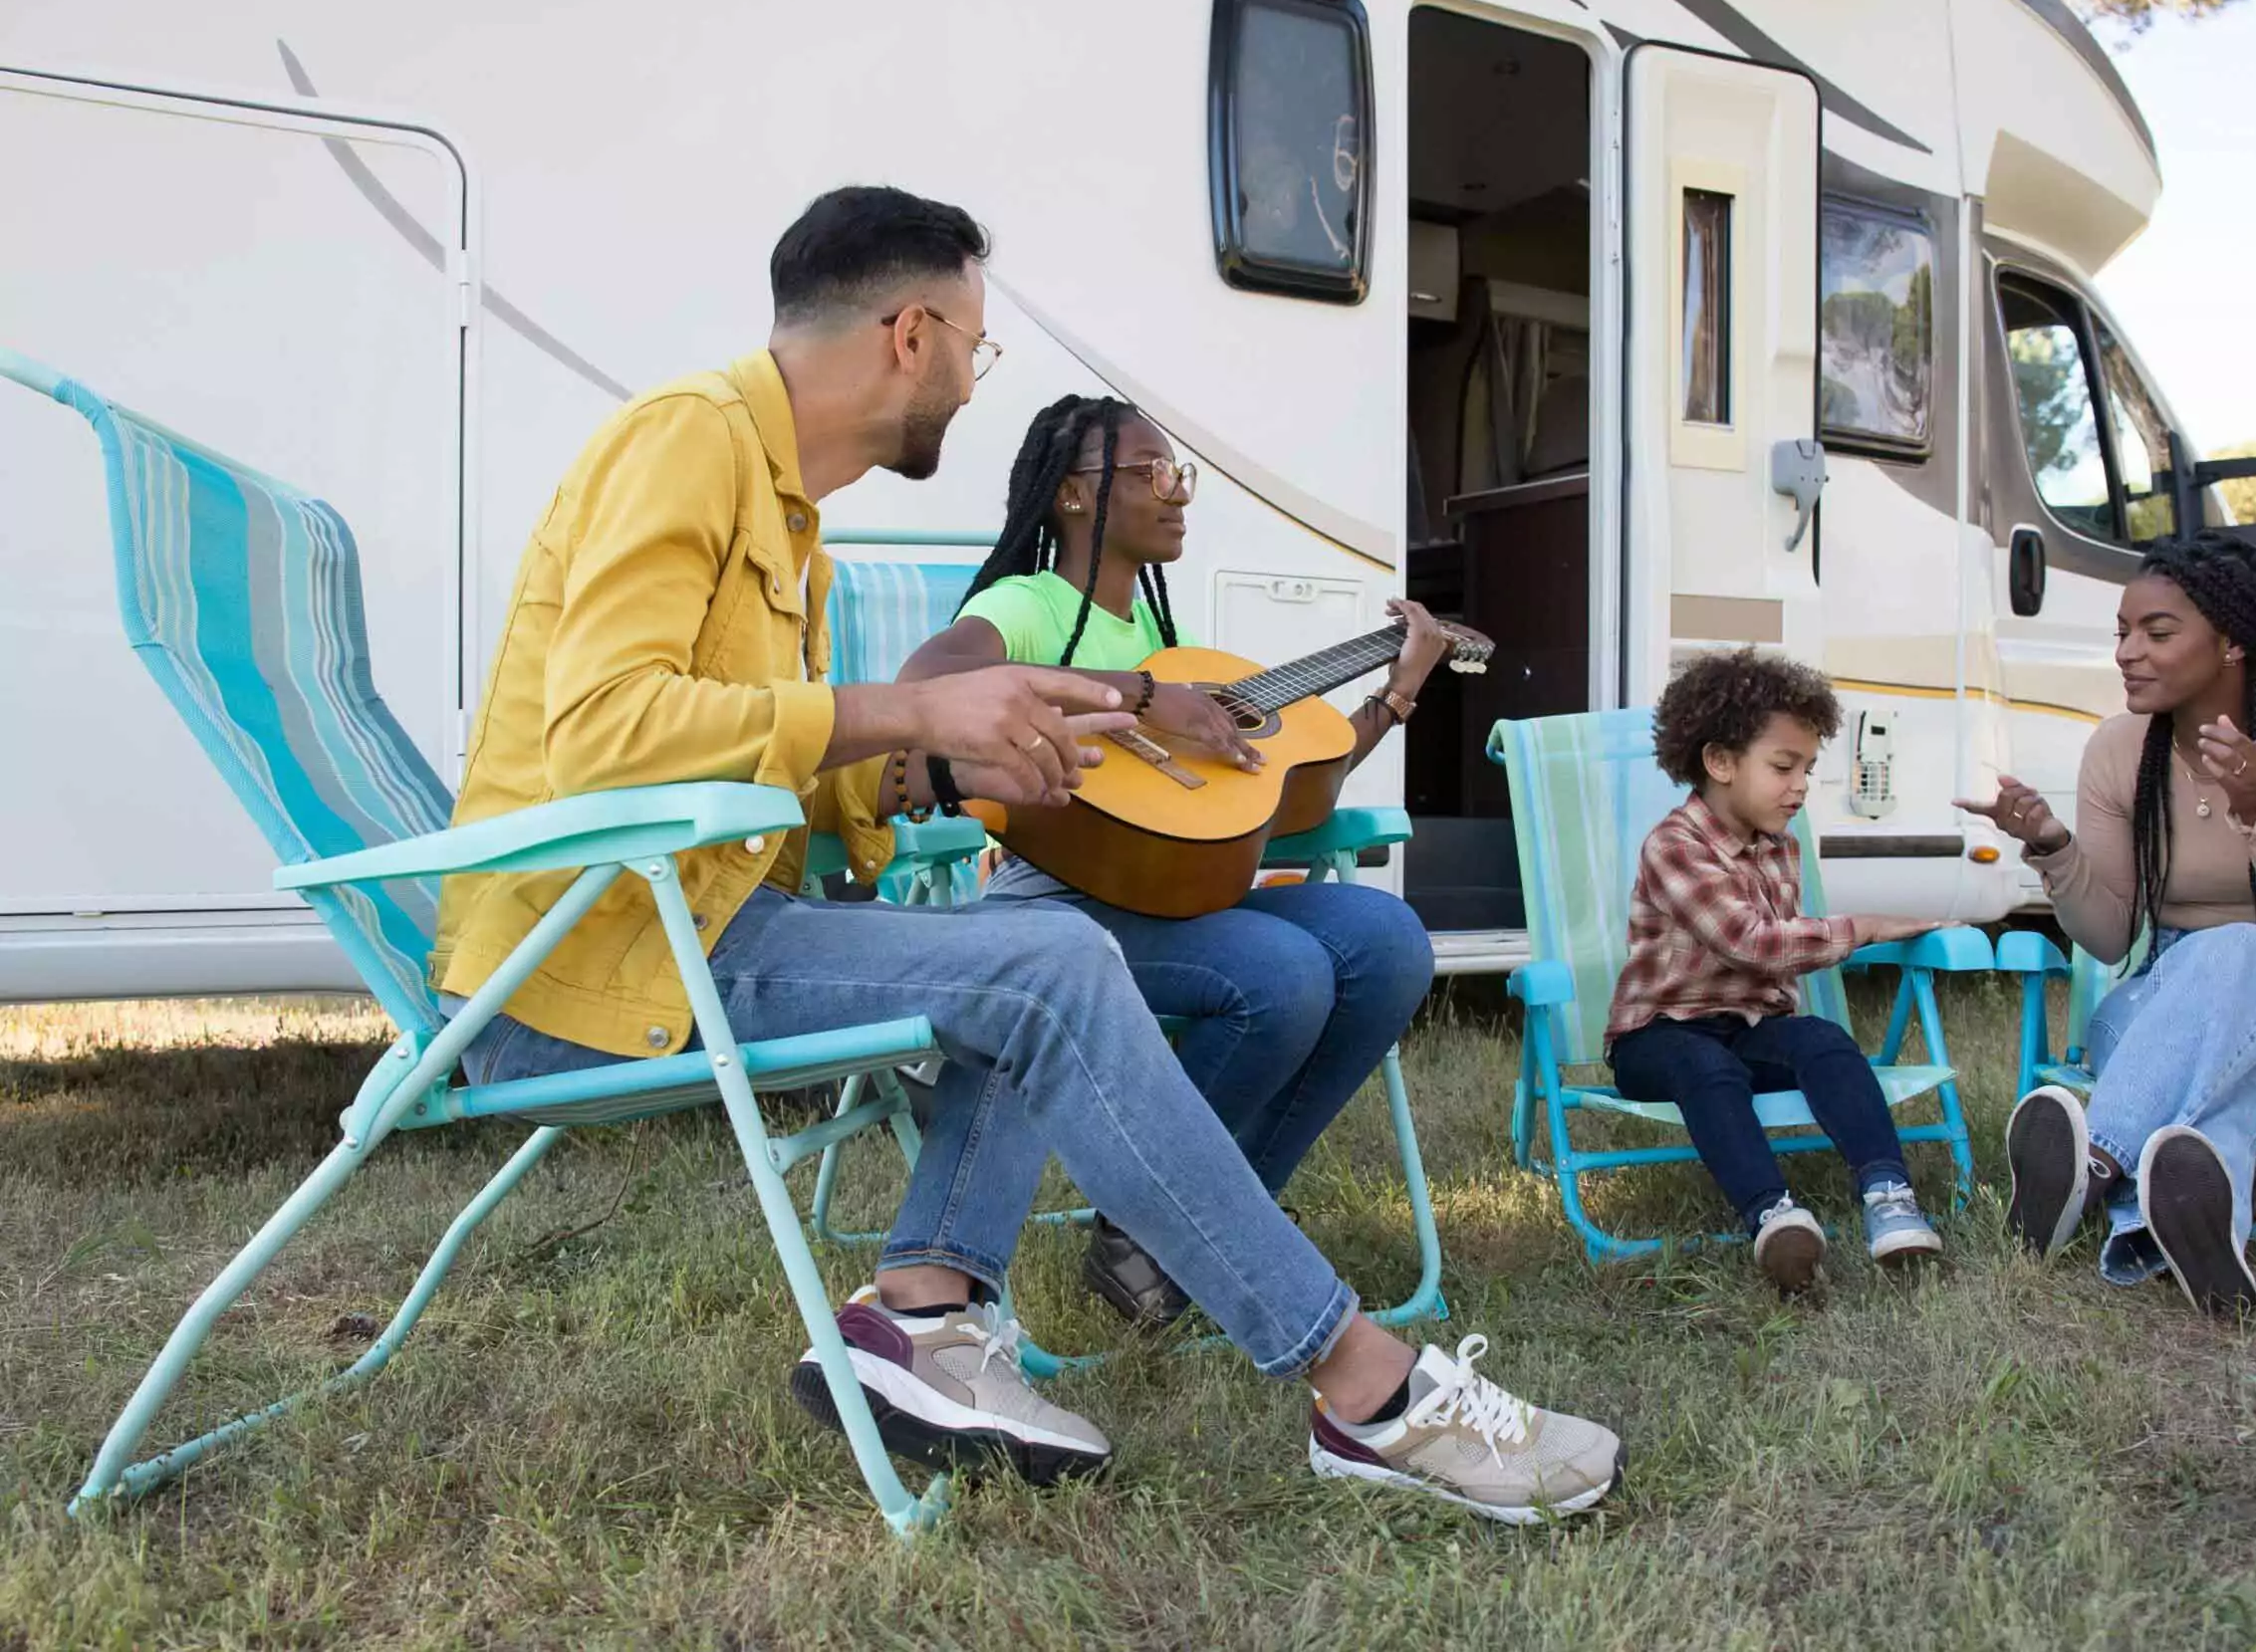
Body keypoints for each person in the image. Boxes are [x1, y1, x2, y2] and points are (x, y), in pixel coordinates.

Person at [428, 184, 1620, 1522]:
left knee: (1034, 946)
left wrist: (939, 766)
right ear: (911, 332)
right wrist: (909, 709)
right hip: (593, 963)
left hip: (696, 923)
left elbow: (747, 762)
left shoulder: (787, 523)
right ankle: (1365, 1386)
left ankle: (926, 1315)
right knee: (1048, 955)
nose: (973, 381)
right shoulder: (686, 442)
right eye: (975, 349)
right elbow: (604, 734)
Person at [890, 393, 1445, 1326]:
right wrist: (1145, 695)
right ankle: (1171, 1222)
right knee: (1283, 974)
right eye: (1154, 473)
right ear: (1073, 493)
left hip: (1167, 900)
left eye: (1178, 474)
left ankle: (1179, 1231)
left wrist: (1396, 694)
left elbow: (1286, 783)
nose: (1178, 493)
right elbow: (925, 684)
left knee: (1387, 941)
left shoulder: (1165, 641)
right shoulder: (1027, 606)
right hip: (1052, 902)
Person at [1958, 532, 2256, 1317]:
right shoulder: (2119, 749)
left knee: (2237, 953)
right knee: (2225, 1075)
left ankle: (2097, 1154)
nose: (2127, 653)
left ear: (2234, 639)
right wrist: (2051, 847)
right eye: (2122, 632)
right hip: (2168, 1009)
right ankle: (2168, 1237)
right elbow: (2109, 938)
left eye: (2157, 632)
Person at [1605, 649, 1946, 1294]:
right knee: (1708, 1066)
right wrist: (1862, 926)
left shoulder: (1782, 845)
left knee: (1823, 1040)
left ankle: (1888, 1193)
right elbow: (1750, 943)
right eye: (1784, 766)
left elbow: (1772, 969)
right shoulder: (1674, 844)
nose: (1800, 786)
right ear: (1721, 761)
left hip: (1748, 1025)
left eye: (1808, 768)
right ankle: (1773, 1215)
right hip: (1657, 1036)